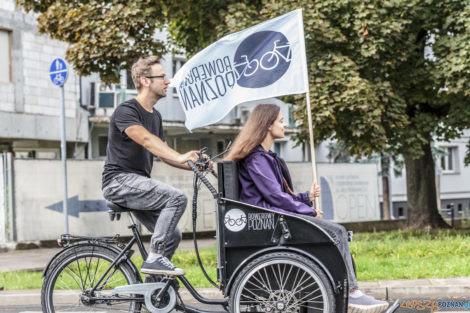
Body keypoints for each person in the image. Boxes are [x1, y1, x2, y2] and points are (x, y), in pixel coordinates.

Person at [225, 103, 389, 313]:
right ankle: (352, 294)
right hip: (267, 218)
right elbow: (274, 196)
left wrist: (306, 199)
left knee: (333, 231)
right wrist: (308, 212)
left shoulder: (264, 157)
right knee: (336, 231)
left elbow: (277, 195)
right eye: (281, 120)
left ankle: (348, 291)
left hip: (271, 214)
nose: (285, 124)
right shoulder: (257, 158)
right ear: (267, 125)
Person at [102, 56, 199, 276]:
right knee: (176, 198)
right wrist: (181, 156)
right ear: (146, 81)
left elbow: (164, 154)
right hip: (119, 181)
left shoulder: (155, 116)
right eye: (163, 76)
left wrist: (194, 165)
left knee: (173, 234)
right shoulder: (126, 111)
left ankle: (155, 289)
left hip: (138, 184)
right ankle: (155, 257)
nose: (168, 81)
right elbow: (147, 141)